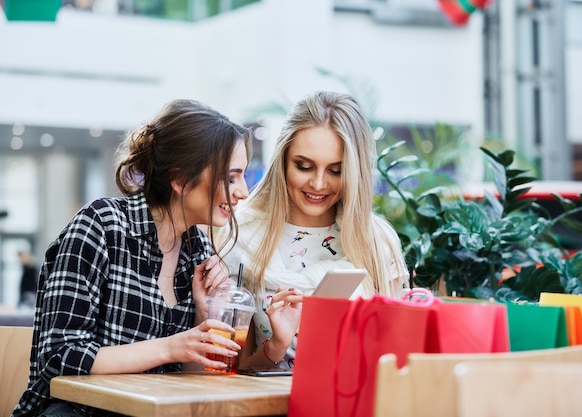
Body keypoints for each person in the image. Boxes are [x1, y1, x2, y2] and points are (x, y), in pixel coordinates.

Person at [12, 99, 252, 417]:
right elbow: (58, 356)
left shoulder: (199, 252)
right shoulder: (102, 225)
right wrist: (171, 345)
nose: (243, 191)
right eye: (231, 178)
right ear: (180, 180)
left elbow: (193, 375)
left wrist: (203, 315)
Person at [220, 90, 409, 369]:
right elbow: (231, 372)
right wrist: (276, 348)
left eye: (336, 170)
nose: (319, 184)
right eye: (304, 166)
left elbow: (399, 358)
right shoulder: (241, 237)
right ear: (282, 159)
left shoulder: (377, 243)